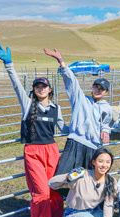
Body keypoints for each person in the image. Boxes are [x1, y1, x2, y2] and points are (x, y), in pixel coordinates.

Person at [0, 43, 69, 217]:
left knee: (55, 190)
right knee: (40, 192)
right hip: (33, 151)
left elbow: (64, 129)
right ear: (34, 90)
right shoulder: (28, 105)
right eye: (37, 86)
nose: (41, 89)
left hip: (52, 151)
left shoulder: (56, 108)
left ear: (49, 89)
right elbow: (17, 84)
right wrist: (9, 64)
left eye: (44, 86)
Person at [44, 48, 112, 180]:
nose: (98, 90)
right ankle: (66, 200)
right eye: (96, 87)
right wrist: (61, 61)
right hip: (75, 141)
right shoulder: (80, 99)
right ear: (92, 87)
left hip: (93, 146)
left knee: (88, 179)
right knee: (64, 177)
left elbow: (105, 123)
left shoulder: (107, 108)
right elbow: (72, 82)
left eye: (102, 89)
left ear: (106, 92)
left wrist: (105, 130)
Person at [48, 148, 118, 217]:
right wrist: (68, 177)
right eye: (100, 161)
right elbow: (51, 183)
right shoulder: (82, 175)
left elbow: (108, 207)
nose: (104, 165)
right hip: (74, 213)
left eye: (108, 162)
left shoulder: (110, 181)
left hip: (94, 212)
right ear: (93, 162)